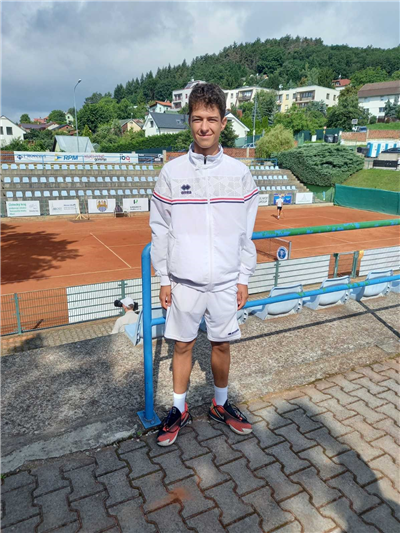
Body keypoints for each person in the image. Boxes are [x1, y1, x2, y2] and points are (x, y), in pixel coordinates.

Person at [150, 83, 259, 446]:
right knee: (181, 346)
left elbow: (246, 233)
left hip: (226, 281)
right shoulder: (172, 172)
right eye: (197, 119)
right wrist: (164, 278)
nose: (204, 126)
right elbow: (160, 229)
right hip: (185, 282)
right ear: (189, 121)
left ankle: (220, 405)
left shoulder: (239, 173)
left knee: (222, 345)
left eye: (212, 119)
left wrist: (243, 277)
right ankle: (178, 409)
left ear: (223, 122)